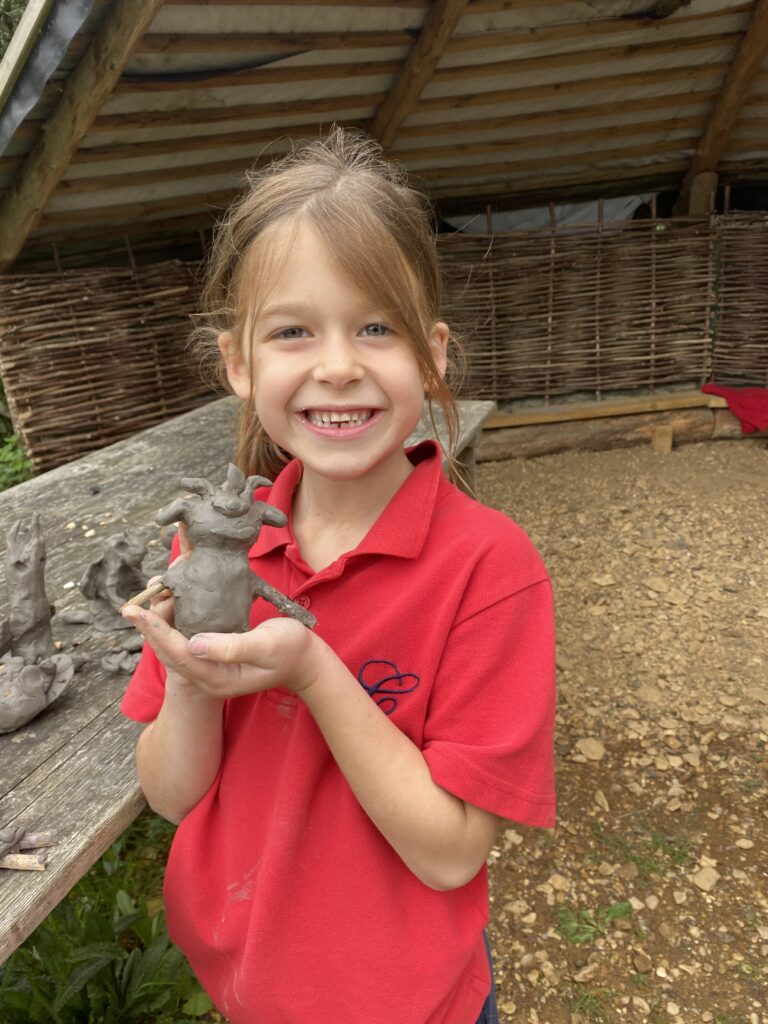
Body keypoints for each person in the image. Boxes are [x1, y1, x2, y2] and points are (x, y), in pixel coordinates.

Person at [120, 128, 556, 1024]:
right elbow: (171, 796)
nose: (337, 364)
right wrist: (197, 682)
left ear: (433, 353)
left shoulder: (488, 568)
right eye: (292, 331)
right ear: (238, 366)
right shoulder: (210, 551)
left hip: (409, 1006)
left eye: (375, 327)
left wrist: (314, 672)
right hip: (245, 989)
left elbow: (450, 855)